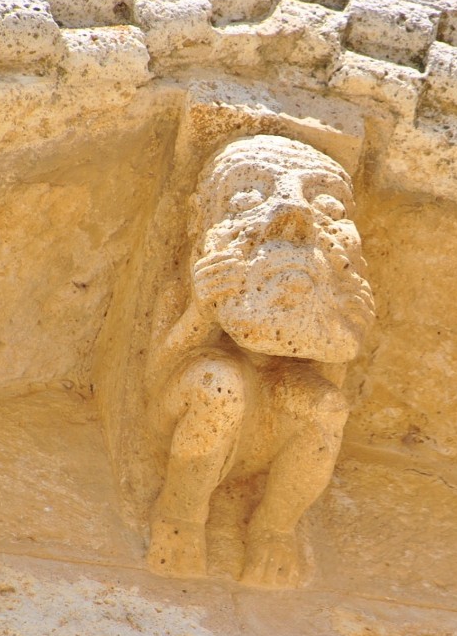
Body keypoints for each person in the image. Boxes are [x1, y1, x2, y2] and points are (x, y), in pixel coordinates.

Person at [144, 135, 374, 587]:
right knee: (218, 382)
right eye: (248, 196)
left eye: (327, 204)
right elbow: (157, 375)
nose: (294, 214)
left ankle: (274, 528)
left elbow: (329, 378)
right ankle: (180, 514)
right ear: (199, 220)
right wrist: (200, 309)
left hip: (274, 413)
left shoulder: (329, 286)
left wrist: (349, 322)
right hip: (193, 409)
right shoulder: (189, 285)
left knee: (328, 409)